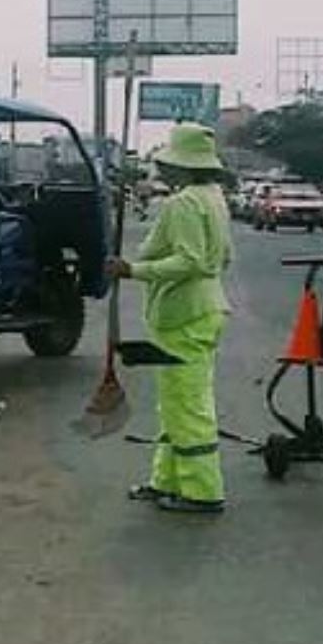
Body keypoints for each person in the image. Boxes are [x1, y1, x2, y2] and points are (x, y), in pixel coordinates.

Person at [104, 122, 234, 514]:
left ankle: (201, 491)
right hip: (203, 308)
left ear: (181, 166)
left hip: (185, 313)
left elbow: (190, 261)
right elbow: (220, 257)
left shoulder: (183, 204)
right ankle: (167, 481)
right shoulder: (214, 197)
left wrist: (133, 271)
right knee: (176, 402)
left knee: (187, 405)